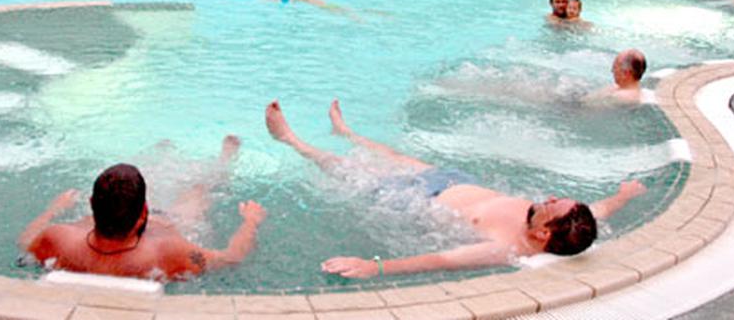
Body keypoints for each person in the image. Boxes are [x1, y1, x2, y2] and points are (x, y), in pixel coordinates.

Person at [264, 100, 646, 277]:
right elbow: (601, 210)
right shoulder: (573, 222)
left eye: (551, 206)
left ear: (543, 233)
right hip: (455, 180)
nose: (546, 198)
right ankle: (346, 132)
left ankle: (292, 141)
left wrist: (374, 267)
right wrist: (624, 195)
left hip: (418, 199)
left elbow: (440, 261)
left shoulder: (504, 248)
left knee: (352, 171)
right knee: (393, 154)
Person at [19, 136, 267, 280]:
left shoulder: (57, 238)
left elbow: (26, 240)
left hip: (104, 228)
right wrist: (250, 221)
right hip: (172, 223)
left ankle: (163, 149)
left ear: (92, 204)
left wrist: (54, 209)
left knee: (153, 167)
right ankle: (225, 161)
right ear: (143, 213)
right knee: (199, 190)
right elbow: (231, 257)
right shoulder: (169, 253)